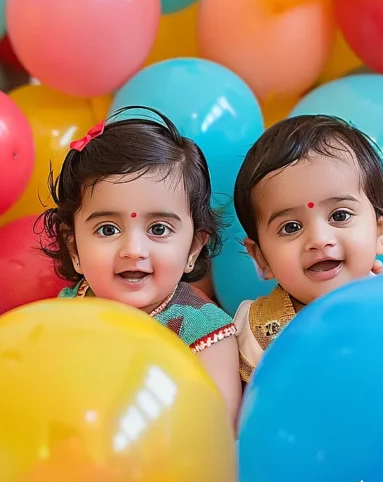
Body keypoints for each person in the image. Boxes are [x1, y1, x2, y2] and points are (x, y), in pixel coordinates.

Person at [39, 106, 242, 423]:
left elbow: (215, 429)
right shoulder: (62, 315)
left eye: (158, 229)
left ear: (192, 248)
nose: (133, 250)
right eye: (108, 230)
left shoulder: (204, 333)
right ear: (73, 247)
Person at [232, 114, 383, 384]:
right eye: (291, 227)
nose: (319, 239)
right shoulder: (255, 328)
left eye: (340, 216)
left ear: (380, 231)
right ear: (261, 257)